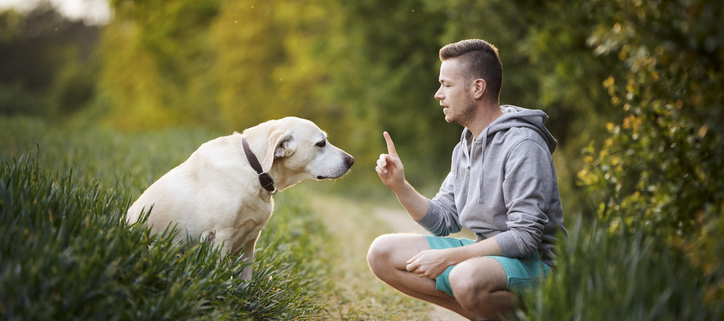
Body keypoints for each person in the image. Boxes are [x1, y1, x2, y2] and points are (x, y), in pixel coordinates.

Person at [368, 39, 567, 321]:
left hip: (538, 266)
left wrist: (450, 258)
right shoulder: (464, 148)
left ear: (477, 88)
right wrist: (399, 186)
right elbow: (443, 220)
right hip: (489, 259)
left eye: (446, 85)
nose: (438, 94)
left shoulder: (523, 144)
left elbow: (526, 237)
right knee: (382, 253)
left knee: (465, 276)